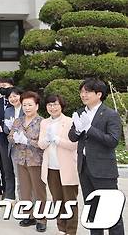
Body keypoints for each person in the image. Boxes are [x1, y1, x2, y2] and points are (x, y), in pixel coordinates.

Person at [68, 78, 124, 235]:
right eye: (82, 92)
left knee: (111, 211)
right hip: (84, 167)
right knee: (92, 210)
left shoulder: (110, 114)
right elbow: (73, 137)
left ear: (99, 94)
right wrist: (78, 129)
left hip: (104, 170)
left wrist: (89, 127)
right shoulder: (80, 112)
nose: (83, 95)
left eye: (87, 92)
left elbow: (112, 141)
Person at [38, 94, 78, 235]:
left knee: (70, 201)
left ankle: (71, 231)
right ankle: (61, 229)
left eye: (55, 104)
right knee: (57, 200)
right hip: (51, 168)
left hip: (66, 167)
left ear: (61, 106)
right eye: (49, 105)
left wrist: (57, 139)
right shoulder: (44, 123)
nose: (52, 107)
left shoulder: (70, 121)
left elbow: (74, 145)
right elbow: (40, 144)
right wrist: (48, 140)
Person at [8, 90, 47, 232]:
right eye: (24, 105)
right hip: (20, 159)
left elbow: (43, 142)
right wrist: (14, 138)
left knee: (38, 190)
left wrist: (28, 141)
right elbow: (10, 136)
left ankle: (41, 218)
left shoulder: (42, 122)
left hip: (36, 160)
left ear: (37, 106)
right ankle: (28, 215)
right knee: (24, 189)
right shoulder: (18, 120)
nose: (27, 108)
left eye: (30, 105)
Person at [0, 85, 23, 203]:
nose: (13, 99)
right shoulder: (8, 110)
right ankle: (10, 196)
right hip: (11, 145)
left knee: (22, 174)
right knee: (9, 170)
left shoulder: (26, 108)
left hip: (24, 145)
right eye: (10, 97)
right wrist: (7, 127)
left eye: (15, 96)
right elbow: (7, 130)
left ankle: (23, 197)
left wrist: (15, 127)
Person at [0, 77, 15, 200]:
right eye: (0, 86)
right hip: (2, 139)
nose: (2, 89)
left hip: (17, 139)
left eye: (5, 86)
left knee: (16, 168)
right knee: (5, 167)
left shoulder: (19, 100)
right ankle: (7, 192)